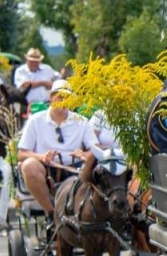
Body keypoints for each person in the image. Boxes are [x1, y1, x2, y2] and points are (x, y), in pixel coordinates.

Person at [17, 79, 110, 215]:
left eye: (67, 98)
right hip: (46, 169)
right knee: (29, 165)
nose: (63, 101)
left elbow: (94, 149)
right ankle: (51, 213)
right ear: (51, 97)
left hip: (75, 169)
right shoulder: (35, 120)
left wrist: (85, 154)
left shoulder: (81, 121)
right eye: (60, 96)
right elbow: (22, 153)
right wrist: (41, 157)